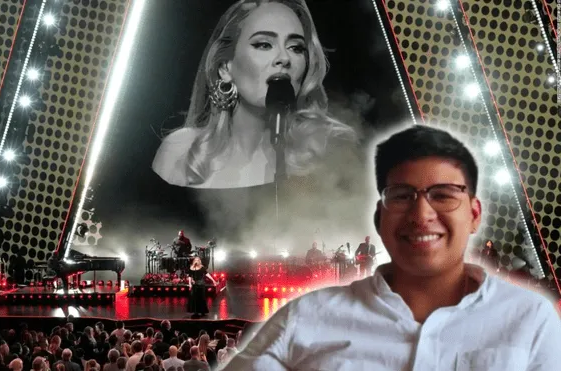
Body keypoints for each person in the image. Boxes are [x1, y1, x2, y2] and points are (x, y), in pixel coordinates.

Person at [220, 125, 561, 370]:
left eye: (442, 195)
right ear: (379, 217)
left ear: (474, 215)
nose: (422, 213)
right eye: (402, 196)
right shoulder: (304, 319)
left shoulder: (530, 319)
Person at [152, 0, 355, 189]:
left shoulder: (330, 150)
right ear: (225, 67)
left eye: (296, 47)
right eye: (264, 44)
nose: (284, 58)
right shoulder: (179, 153)